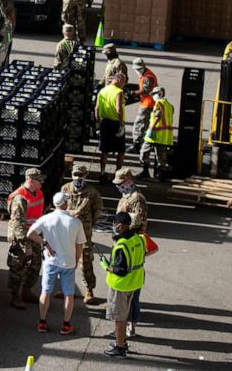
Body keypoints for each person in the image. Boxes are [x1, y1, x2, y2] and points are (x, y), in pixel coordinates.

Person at [27, 191, 86, 334]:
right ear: (65, 203)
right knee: (68, 294)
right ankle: (66, 325)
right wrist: (77, 260)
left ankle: (42, 322)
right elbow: (80, 245)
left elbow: (30, 234)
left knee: (46, 291)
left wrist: (45, 243)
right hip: (68, 263)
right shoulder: (76, 222)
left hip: (51, 262)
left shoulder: (46, 219)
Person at [102, 212, 146, 358]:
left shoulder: (121, 245)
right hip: (134, 283)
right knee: (124, 315)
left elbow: (120, 270)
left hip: (120, 286)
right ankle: (122, 341)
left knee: (119, 318)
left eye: (114, 223)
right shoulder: (139, 239)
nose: (113, 226)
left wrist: (106, 266)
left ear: (121, 226)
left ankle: (120, 348)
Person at [114, 167, 148, 339]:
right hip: (124, 240)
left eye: (120, 184)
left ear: (128, 181)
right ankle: (123, 323)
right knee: (125, 289)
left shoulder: (137, 198)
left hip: (132, 243)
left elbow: (139, 222)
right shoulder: (126, 195)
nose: (118, 187)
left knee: (133, 292)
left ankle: (131, 326)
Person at [61, 164, 103, 305]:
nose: (78, 178)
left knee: (85, 262)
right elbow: (60, 207)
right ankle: (65, 288)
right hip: (67, 232)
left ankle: (89, 290)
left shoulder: (92, 192)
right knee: (66, 261)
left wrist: (88, 224)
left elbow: (97, 211)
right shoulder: (66, 189)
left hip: (84, 233)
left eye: (80, 175)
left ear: (85, 176)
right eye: (75, 175)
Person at [7, 167, 45, 309]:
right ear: (30, 180)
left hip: (34, 234)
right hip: (21, 237)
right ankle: (15, 296)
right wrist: (25, 245)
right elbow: (18, 224)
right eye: (39, 180)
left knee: (35, 265)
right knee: (18, 266)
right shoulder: (20, 198)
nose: (42, 183)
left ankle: (26, 291)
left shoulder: (38, 192)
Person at [96, 73, 127, 184]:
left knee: (104, 150)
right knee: (121, 150)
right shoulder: (118, 92)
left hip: (105, 122)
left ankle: (102, 173)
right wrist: (121, 124)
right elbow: (119, 109)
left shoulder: (103, 91)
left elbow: (97, 108)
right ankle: (117, 175)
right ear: (118, 80)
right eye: (124, 81)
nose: (124, 84)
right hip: (116, 123)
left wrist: (99, 122)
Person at [129, 58, 158, 178]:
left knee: (139, 124)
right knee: (141, 125)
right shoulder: (145, 74)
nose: (137, 71)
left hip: (148, 105)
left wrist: (133, 93)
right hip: (146, 103)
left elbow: (146, 91)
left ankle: (137, 144)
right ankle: (137, 144)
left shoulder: (148, 76)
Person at [140, 86, 175, 181]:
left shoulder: (159, 103)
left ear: (160, 93)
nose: (153, 96)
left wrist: (150, 129)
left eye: (154, 94)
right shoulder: (170, 106)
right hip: (164, 136)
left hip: (154, 134)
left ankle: (145, 172)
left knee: (144, 152)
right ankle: (161, 175)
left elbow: (157, 117)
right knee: (161, 156)